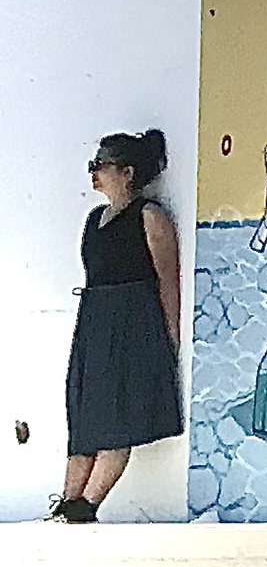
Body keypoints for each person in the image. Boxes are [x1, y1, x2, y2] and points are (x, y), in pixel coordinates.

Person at [56, 131, 179, 523]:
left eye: (102, 164)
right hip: (95, 322)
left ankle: (86, 506)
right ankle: (67, 501)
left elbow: (168, 282)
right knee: (85, 416)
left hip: (132, 325)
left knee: (118, 418)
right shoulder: (94, 220)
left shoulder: (149, 217)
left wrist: (170, 338)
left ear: (127, 172)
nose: (94, 172)